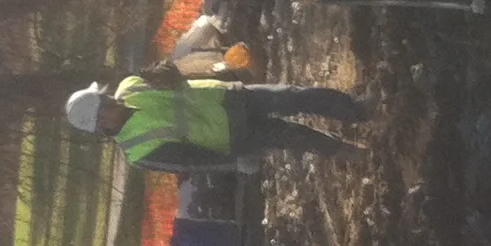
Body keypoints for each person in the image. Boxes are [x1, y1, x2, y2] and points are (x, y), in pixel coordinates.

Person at [62, 61, 369, 171]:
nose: (109, 95)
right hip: (236, 137)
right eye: (103, 100)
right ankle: (349, 152)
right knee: (296, 136)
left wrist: (164, 70)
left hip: (231, 97)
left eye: (103, 94)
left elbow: (171, 74)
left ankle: (360, 110)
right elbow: (191, 160)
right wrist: (235, 163)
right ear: (102, 120)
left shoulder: (130, 86)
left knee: (294, 95)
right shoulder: (138, 151)